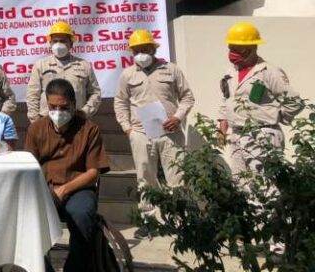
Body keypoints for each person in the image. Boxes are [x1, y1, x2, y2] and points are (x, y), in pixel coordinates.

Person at [113, 29, 195, 238]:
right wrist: (127, 129)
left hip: (170, 133)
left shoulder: (171, 70)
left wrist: (178, 117)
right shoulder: (127, 75)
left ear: (153, 49)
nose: (141, 54)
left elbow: (187, 97)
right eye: (136, 51)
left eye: (145, 49)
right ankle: (149, 221)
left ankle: (179, 221)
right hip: (141, 133)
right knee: (145, 179)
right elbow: (120, 103)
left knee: (177, 177)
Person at [25, 79, 110, 272]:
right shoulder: (36, 128)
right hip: (45, 189)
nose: (58, 112)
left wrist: (64, 190)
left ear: (73, 104)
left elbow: (93, 173)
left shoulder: (89, 129)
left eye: (63, 107)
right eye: (53, 107)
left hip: (79, 189)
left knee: (81, 215)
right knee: (27, 220)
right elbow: (29, 167)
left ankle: (74, 268)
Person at [217, 22, 303, 177]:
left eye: (235, 48)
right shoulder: (231, 72)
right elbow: (226, 101)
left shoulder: (269, 72)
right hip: (237, 135)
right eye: (230, 48)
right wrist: (222, 130)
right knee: (241, 182)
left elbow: (294, 101)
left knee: (265, 183)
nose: (231, 52)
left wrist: (279, 116)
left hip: (262, 135)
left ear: (250, 48)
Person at [27, 21, 101, 122]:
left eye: (63, 41)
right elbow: (32, 96)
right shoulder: (40, 65)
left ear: (71, 43)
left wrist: (84, 112)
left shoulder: (84, 65)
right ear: (50, 43)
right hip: (47, 121)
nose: (58, 44)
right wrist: (36, 121)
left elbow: (95, 93)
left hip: (76, 121)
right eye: (55, 41)